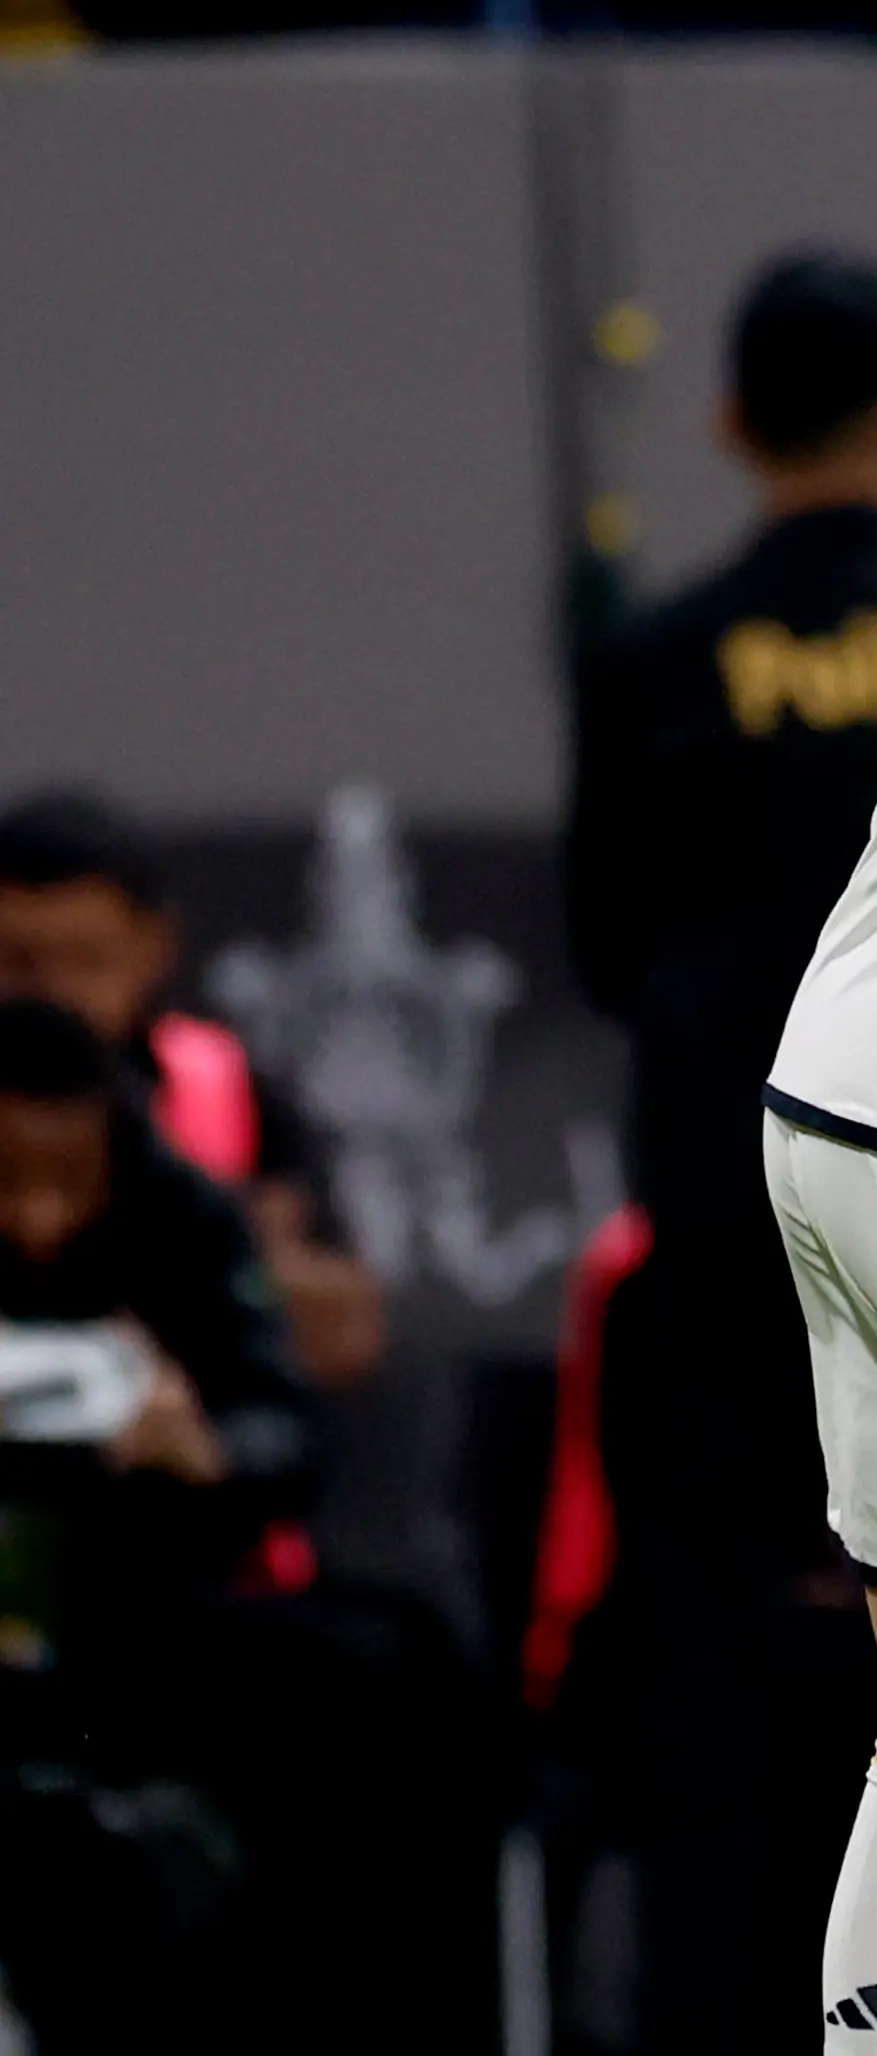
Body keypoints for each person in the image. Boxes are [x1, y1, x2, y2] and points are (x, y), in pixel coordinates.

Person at [556, 251, 877, 2048]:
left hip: (722, 1250)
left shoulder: (654, 655)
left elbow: (608, 946)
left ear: (724, 422)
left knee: (710, 1680)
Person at [0, 994, 325, 2048]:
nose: (39, 1218)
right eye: (6, 1183)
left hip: (139, 1620)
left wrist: (207, 1448)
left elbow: (288, 1433)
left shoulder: (184, 1213)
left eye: (66, 1181)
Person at [0, 793, 382, 1390]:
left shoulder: (233, 1100)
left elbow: (344, 1333)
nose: (54, 995)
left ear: (153, 946)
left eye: (85, 963)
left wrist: (264, 1297)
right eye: (17, 964)